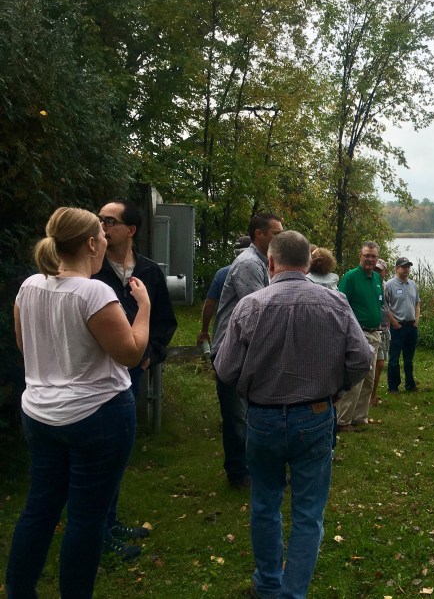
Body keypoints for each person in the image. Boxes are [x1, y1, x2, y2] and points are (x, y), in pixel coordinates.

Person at [214, 231, 373, 599]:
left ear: (270, 263)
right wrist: (338, 389)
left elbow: (225, 369)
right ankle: (292, 593)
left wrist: (250, 389)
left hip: (263, 419)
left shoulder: (250, 305)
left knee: (265, 503)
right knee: (307, 512)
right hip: (315, 416)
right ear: (307, 263)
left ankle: (268, 583)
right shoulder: (336, 303)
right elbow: (362, 359)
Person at [6, 207, 150, 598]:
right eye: (101, 236)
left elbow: (26, 347)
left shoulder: (29, 287)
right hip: (98, 417)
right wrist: (145, 306)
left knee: (39, 508)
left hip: (39, 414)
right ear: (89, 244)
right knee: (86, 519)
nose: (105, 239)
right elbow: (132, 353)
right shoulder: (94, 292)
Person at [92, 199, 177, 558]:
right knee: (97, 453)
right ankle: (98, 533)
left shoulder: (150, 272)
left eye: (110, 221)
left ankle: (107, 522)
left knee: (115, 453)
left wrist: (149, 357)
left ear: (131, 230)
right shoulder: (93, 272)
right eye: (100, 221)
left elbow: (165, 322)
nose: (102, 227)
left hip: (131, 372)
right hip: (95, 374)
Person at [211, 213, 284, 489]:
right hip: (232, 349)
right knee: (236, 415)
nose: (280, 238)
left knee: (253, 413)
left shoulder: (265, 263)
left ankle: (256, 468)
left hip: (249, 348)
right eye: (276, 233)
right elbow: (260, 309)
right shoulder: (249, 264)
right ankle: (239, 472)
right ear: (259, 235)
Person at [336, 242, 384, 430]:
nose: (370, 259)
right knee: (356, 378)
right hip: (358, 334)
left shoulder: (376, 279)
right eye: (367, 256)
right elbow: (340, 305)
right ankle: (343, 420)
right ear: (360, 256)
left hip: (375, 333)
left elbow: (378, 304)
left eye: (373, 256)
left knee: (369, 378)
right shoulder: (350, 277)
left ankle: (359, 416)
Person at [197, 236, 252, 351]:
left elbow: (209, 304)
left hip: (224, 337)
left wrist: (204, 330)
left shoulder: (222, 273)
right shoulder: (261, 272)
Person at [385, 257, 421, 393]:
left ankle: (410, 385)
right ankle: (393, 386)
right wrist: (394, 323)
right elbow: (385, 306)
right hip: (397, 327)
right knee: (394, 359)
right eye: (403, 267)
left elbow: (417, 303)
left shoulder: (412, 284)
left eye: (408, 267)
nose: (406, 269)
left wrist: (416, 320)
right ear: (396, 268)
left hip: (411, 327)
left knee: (409, 359)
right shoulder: (389, 285)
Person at [369, 258, 390, 407]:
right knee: (373, 364)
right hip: (372, 329)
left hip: (384, 329)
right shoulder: (369, 283)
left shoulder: (385, 286)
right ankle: (367, 397)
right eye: (375, 269)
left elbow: (387, 306)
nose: (376, 272)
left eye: (379, 270)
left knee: (380, 364)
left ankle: (372, 395)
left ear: (384, 272)